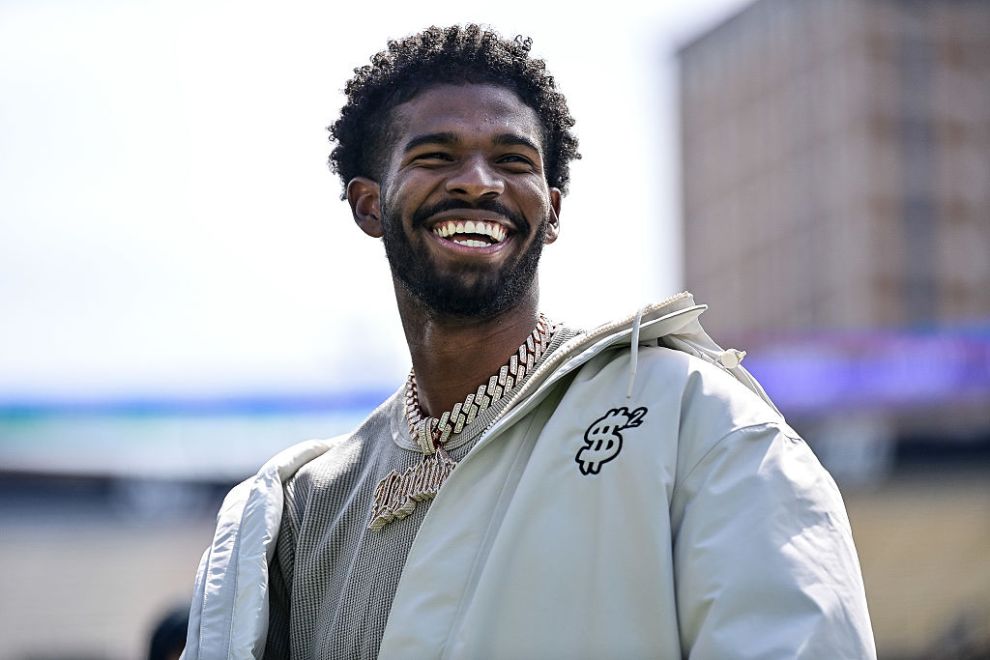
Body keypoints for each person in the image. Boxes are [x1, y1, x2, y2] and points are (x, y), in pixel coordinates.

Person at [183, 24, 876, 659]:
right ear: (370, 204)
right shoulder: (308, 507)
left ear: (551, 210)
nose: (478, 182)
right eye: (436, 156)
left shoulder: (691, 419)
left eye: (513, 161)